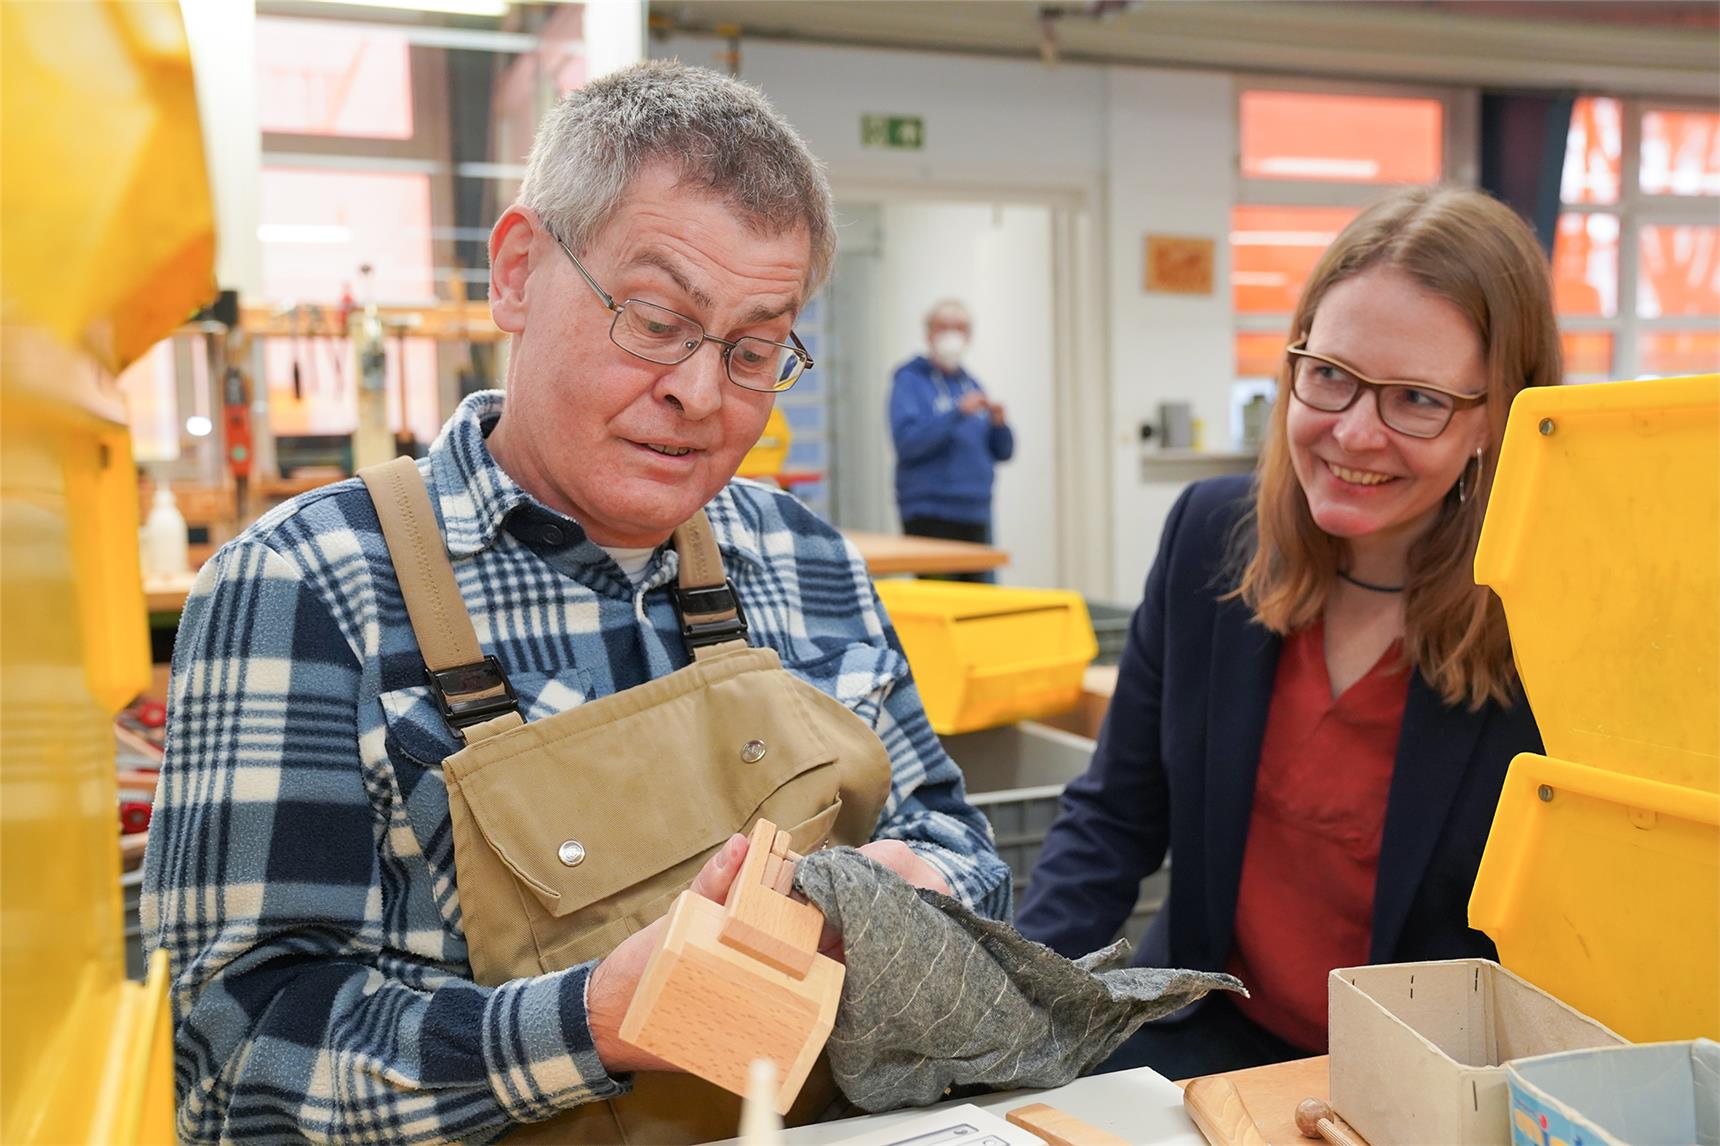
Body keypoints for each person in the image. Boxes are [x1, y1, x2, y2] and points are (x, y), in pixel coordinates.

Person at [143, 61, 1008, 1145]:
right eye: (654, 320)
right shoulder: (307, 587)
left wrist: (913, 885)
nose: (701, 394)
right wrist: (597, 1018)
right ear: (515, 273)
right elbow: (236, 1067)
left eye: (750, 351)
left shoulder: (807, 559)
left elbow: (957, 837)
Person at [1015, 186, 1561, 1080]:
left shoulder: (1549, 625)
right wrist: (1012, 1002)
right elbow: (1115, 817)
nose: (1354, 431)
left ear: (1495, 420)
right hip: (1198, 1051)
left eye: (1416, 399)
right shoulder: (1210, 536)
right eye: (1332, 374)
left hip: (1426, 1088)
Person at [889, 300, 1014, 581]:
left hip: (975, 512)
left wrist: (999, 425)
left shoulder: (971, 383)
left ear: (969, 336)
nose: (951, 334)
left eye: (959, 328)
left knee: (980, 610)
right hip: (931, 513)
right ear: (929, 334)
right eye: (943, 327)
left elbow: (1003, 452)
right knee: (941, 604)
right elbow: (908, 443)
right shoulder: (909, 380)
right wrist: (956, 413)